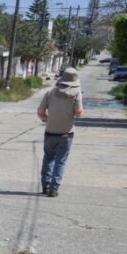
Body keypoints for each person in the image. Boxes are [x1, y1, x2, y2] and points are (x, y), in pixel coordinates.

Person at [37, 67, 85, 197]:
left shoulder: (50, 92)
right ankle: (54, 189)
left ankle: (45, 186)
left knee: (48, 158)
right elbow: (78, 113)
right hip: (66, 133)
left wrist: (47, 120)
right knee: (60, 161)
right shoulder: (76, 93)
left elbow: (40, 112)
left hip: (50, 131)